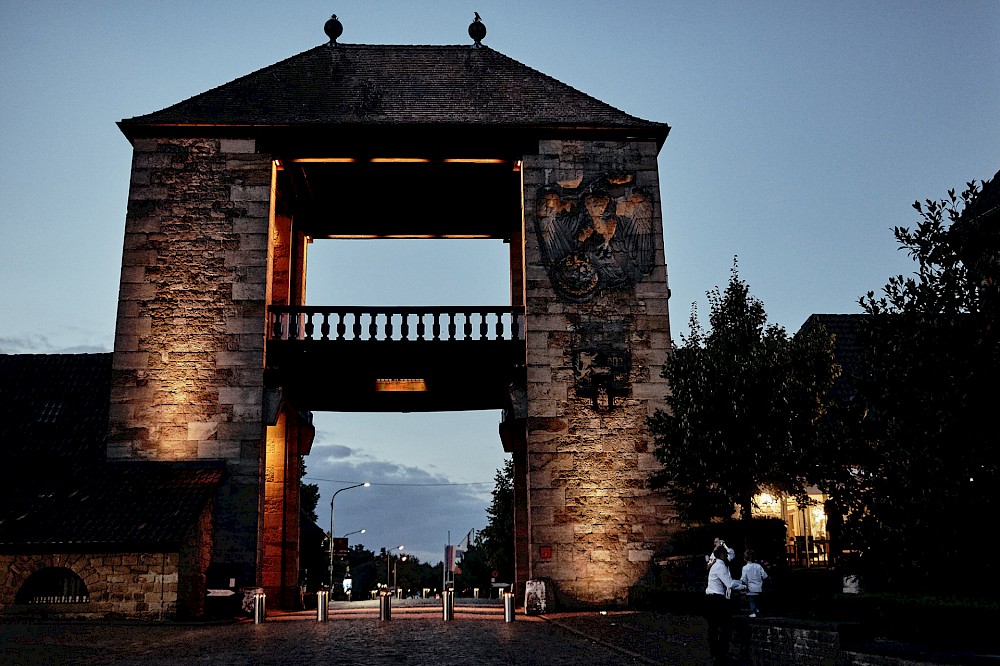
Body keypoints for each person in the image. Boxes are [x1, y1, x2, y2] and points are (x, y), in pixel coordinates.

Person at [705, 545, 743, 665]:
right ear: (721, 555)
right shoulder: (720, 566)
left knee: (714, 628)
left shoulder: (716, 565)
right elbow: (729, 583)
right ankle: (720, 655)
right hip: (717, 599)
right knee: (725, 627)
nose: (727, 556)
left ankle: (716, 654)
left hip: (711, 598)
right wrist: (743, 586)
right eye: (726, 555)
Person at [740, 549, 768, 618]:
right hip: (759, 587)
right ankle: (758, 610)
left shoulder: (745, 568)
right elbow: (765, 575)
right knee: (758, 600)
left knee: (751, 601)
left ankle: (753, 612)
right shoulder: (758, 566)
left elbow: (743, 578)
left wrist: (742, 584)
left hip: (750, 588)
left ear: (745, 558)